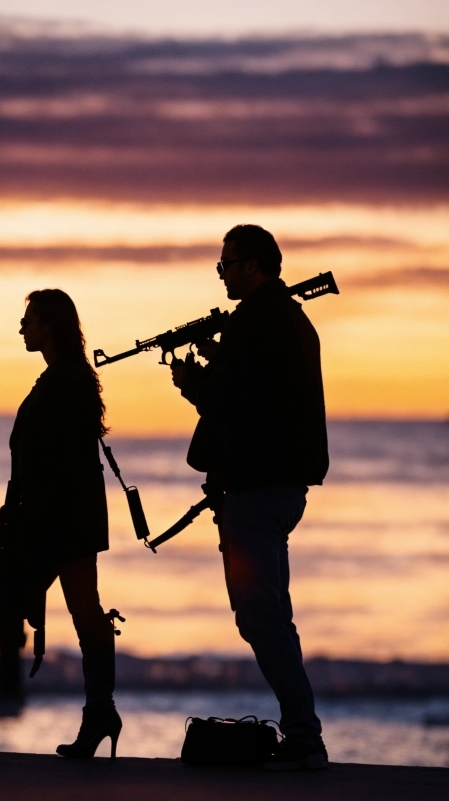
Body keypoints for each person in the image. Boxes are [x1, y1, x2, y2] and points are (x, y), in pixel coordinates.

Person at [171, 224, 329, 770]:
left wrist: (191, 379)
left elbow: (231, 399)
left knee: (261, 617)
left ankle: (305, 738)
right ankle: (303, 733)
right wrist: (223, 355)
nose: (221, 273)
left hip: (258, 489)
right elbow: (263, 391)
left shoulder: (258, 321)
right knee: (267, 614)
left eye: (226, 264)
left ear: (253, 265)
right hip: (275, 486)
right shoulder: (285, 319)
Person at [0, 288, 122, 759]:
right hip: (66, 518)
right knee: (85, 611)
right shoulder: (62, 378)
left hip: (59, 520)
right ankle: (99, 713)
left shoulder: (65, 381)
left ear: (51, 325)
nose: (23, 328)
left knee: (10, 595)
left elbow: (56, 461)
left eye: (30, 320)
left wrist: (28, 517)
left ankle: (8, 689)